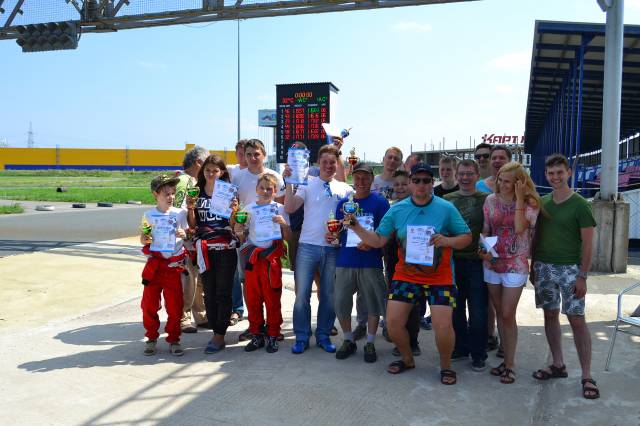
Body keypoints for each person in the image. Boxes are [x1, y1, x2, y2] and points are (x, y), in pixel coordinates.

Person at [348, 163, 471, 385]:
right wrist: (355, 226)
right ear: (411, 183)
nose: (421, 184)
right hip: (407, 275)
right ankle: (407, 359)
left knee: (443, 325)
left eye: (426, 180)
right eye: (417, 180)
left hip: (440, 277)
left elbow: (467, 237)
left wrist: (447, 241)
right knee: (393, 323)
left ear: (432, 183)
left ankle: (446, 366)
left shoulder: (446, 208)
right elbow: (378, 240)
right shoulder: (397, 210)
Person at [531, 154, 599, 399]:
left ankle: (587, 375)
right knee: (549, 315)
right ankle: (558, 364)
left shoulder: (580, 205)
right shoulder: (543, 203)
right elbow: (536, 236)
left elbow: (588, 244)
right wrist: (532, 266)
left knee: (576, 319)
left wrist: (583, 276)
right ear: (546, 175)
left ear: (569, 172)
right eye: (551, 173)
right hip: (543, 267)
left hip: (570, 269)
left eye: (560, 172)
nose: (555, 177)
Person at [284, 144, 354, 354]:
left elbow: (351, 219)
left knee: (328, 295)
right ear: (317, 163)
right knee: (301, 295)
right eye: (325, 162)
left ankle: (323, 335)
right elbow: (290, 207)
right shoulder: (306, 183)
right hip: (307, 246)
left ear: (337, 164)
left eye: (332, 162)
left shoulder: (345, 189)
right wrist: (289, 182)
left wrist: (340, 232)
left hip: (332, 248)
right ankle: (302, 336)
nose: (329, 165)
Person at [479, 162, 540, 384]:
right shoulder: (490, 200)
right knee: (498, 311)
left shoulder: (531, 203)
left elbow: (520, 227)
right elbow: (486, 229)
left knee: (507, 313)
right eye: (500, 180)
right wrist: (483, 249)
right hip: (493, 261)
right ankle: (505, 360)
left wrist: (520, 198)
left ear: (519, 183)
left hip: (516, 262)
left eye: (508, 182)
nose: (502, 185)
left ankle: (510, 364)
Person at [330, 162, 390, 363]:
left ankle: (370, 342)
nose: (361, 181)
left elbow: (385, 232)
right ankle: (348, 339)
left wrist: (372, 244)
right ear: (352, 179)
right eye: (357, 177)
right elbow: (339, 231)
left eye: (365, 177)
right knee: (341, 303)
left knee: (373, 304)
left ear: (372, 179)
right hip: (346, 260)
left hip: (370, 261)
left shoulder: (380, 203)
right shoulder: (343, 204)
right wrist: (333, 237)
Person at [231, 139, 285, 336]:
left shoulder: (275, 177)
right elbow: (234, 208)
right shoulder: (237, 176)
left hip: (270, 243)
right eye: (249, 154)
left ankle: (273, 327)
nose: (253, 158)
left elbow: (281, 206)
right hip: (249, 242)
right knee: (248, 285)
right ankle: (254, 325)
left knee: (271, 287)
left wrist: (281, 229)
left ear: (264, 155)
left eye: (256, 154)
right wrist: (238, 228)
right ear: (244, 156)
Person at [187, 155, 239, 354]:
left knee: (223, 293)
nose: (211, 174)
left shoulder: (228, 192)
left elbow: (233, 224)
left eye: (215, 170)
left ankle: (219, 335)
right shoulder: (197, 191)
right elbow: (193, 224)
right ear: (203, 172)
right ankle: (216, 329)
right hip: (204, 249)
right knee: (209, 293)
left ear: (222, 172)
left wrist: (234, 211)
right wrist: (190, 208)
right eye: (207, 170)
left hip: (225, 248)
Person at [234, 174, 291, 354]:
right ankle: (257, 333)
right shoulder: (248, 209)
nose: (265, 191)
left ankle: (273, 334)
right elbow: (243, 236)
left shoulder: (280, 209)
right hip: (253, 260)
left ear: (275, 191)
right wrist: (239, 230)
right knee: (253, 299)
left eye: (269, 188)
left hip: (271, 260)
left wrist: (284, 225)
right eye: (262, 188)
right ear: (256, 189)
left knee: (272, 299)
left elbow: (288, 237)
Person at [444, 160, 489, 371]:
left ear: (477, 175)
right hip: (452, 261)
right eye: (461, 173)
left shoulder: (486, 199)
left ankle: (478, 352)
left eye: (469, 173)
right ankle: (460, 347)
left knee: (478, 311)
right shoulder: (447, 200)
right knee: (456, 309)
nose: (465, 177)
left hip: (476, 262)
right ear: (456, 175)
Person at [140, 174, 188, 357]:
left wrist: (183, 234)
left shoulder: (179, 213)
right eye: (166, 193)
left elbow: (186, 234)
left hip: (173, 267)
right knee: (149, 305)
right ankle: (151, 337)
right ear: (155, 194)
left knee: (175, 306)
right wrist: (145, 238)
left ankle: (174, 338)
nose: (170, 197)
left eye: (173, 193)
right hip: (154, 267)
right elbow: (143, 239)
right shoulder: (148, 215)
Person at [384, 170, 425, 356]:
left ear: (410, 184)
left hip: (414, 259)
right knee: (395, 298)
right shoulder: (392, 208)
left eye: (403, 184)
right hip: (393, 258)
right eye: (396, 184)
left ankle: (413, 341)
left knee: (413, 301)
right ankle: (398, 339)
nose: (400, 187)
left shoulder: (418, 206)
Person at [476, 144, 511, 354]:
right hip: (488, 250)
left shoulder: (520, 187)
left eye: (501, 157)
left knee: (506, 304)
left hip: (511, 255)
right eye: (494, 157)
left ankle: (506, 342)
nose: (497, 161)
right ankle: (490, 335)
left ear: (509, 161)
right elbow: (483, 223)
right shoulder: (480, 186)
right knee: (489, 299)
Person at [174, 146, 209, 334]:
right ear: (198, 162)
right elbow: (177, 209)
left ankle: (201, 315)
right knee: (187, 279)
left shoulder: (195, 181)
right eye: (206, 162)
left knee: (197, 279)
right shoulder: (184, 181)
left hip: (194, 238)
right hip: (184, 239)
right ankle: (183, 317)